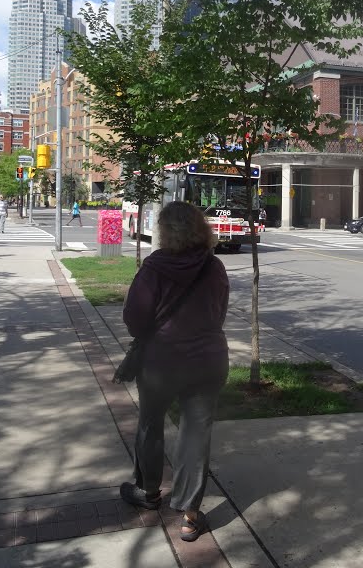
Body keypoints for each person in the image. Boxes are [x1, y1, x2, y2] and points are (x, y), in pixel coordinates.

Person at [119, 201, 229, 543]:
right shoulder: (214, 267)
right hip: (208, 361)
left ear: (164, 230)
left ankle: (149, 492)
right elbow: (219, 313)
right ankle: (190, 515)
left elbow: (134, 320)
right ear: (202, 229)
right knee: (196, 434)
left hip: (160, 362)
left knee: (151, 425)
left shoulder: (154, 268)